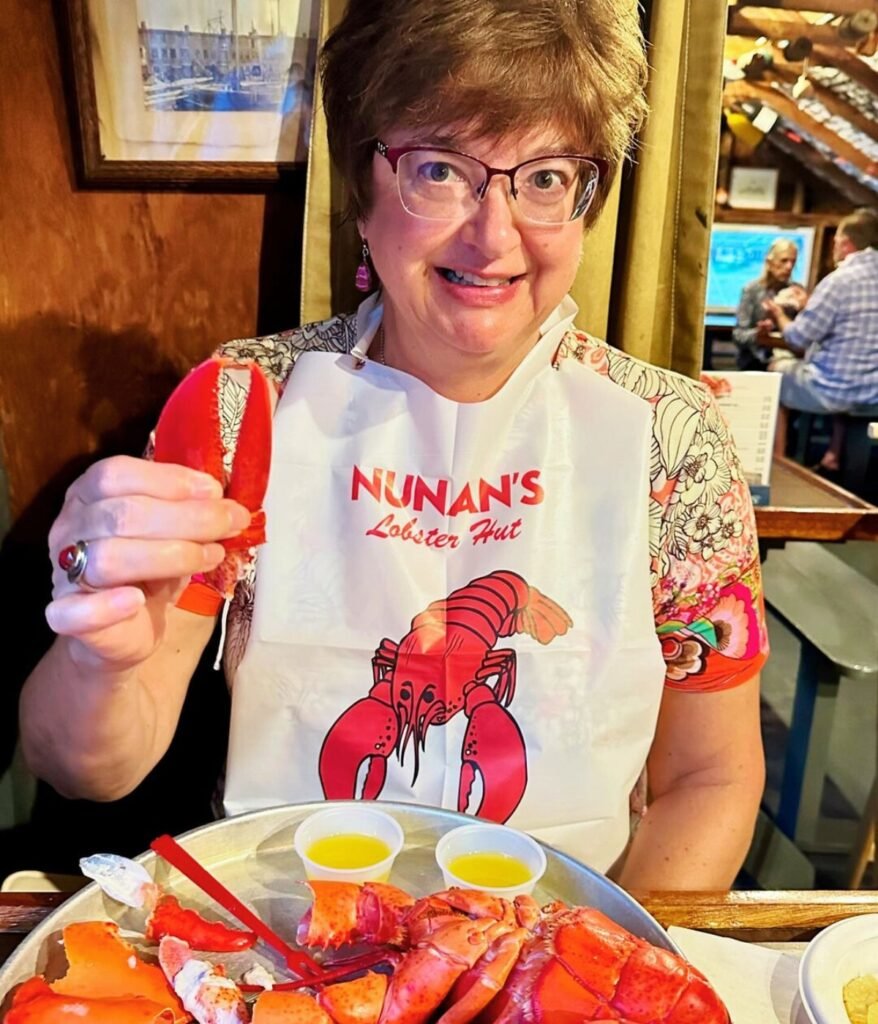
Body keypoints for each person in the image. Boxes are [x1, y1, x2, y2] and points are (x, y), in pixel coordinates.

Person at [19, 0, 768, 891]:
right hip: (283, 932)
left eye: (546, 177)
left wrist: (604, 971)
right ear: (362, 195)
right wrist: (103, 657)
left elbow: (709, 778)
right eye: (441, 169)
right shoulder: (243, 404)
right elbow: (87, 768)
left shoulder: (673, 438)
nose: (495, 237)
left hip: (558, 943)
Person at [762, 208, 878, 471]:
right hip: (873, 390)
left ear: (847, 244)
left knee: (776, 373)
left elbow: (799, 337)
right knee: (840, 367)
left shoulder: (839, 281)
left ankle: (780, 466)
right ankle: (833, 455)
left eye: (836, 240)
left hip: (835, 390)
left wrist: (780, 315)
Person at [732, 238, 807, 371]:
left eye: (793, 262)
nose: (789, 267)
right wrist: (758, 334)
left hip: (790, 361)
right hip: (754, 364)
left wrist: (804, 309)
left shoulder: (798, 293)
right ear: (769, 262)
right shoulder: (751, 291)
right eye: (784, 261)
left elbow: (805, 335)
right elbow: (738, 335)